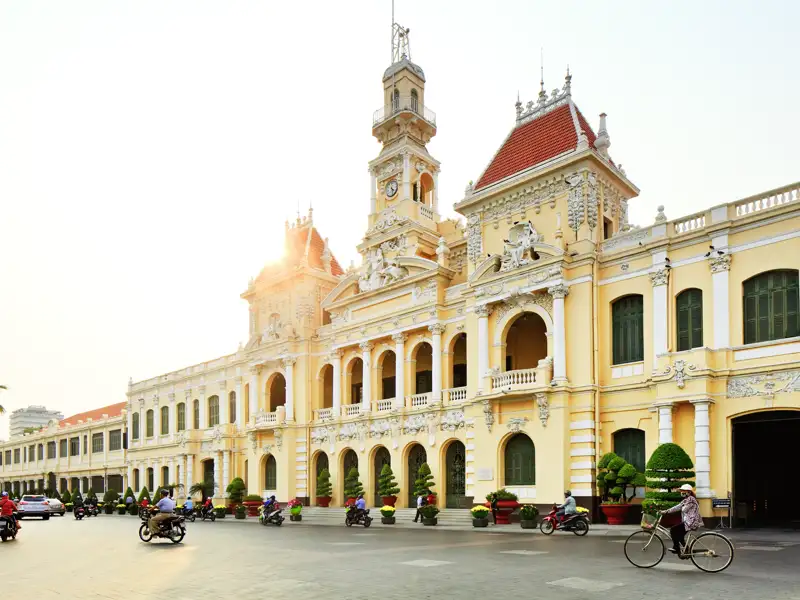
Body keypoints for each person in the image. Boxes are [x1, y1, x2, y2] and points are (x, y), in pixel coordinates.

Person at [661, 484, 704, 557]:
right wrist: (666, 511)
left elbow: (683, 509)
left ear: (689, 492)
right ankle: (686, 550)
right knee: (679, 536)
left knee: (673, 530)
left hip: (691, 522)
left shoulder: (691, 499)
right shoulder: (686, 500)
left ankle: (676, 548)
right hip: (688, 521)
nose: (682, 492)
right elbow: (677, 507)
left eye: (684, 491)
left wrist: (682, 506)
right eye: (681, 491)